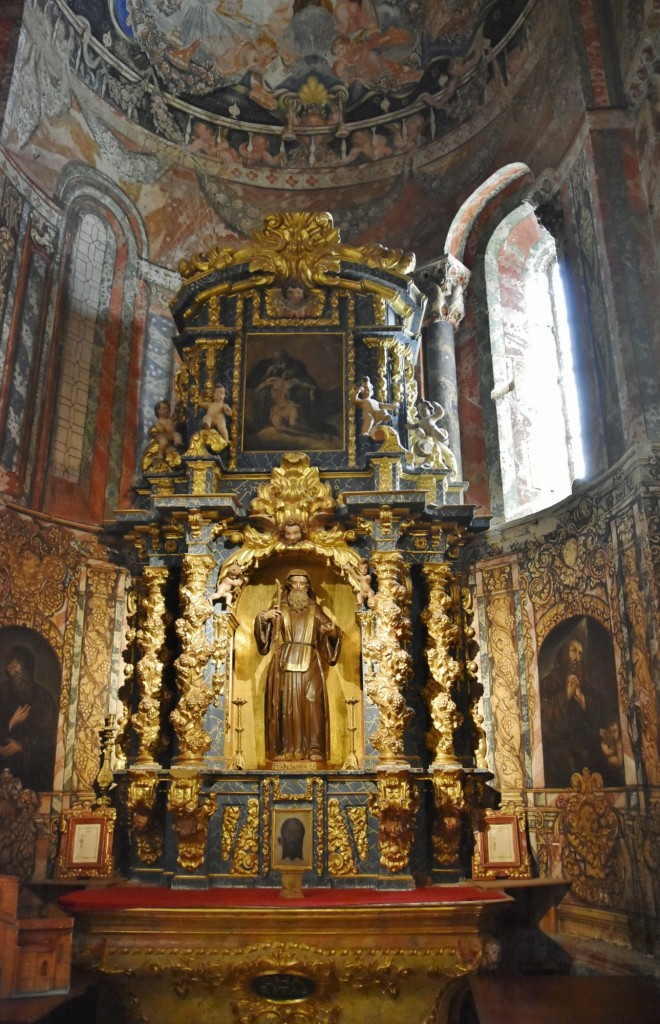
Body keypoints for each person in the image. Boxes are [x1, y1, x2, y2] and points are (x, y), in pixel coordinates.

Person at [255, 571, 341, 763]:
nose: (299, 587)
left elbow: (331, 630)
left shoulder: (314, 609)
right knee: (286, 704)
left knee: (312, 702)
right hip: (284, 660)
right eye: (295, 583)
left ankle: (314, 748)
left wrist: (332, 632)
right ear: (289, 586)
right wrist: (263, 617)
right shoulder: (280, 606)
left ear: (308, 586)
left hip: (310, 660)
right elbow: (265, 638)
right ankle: (286, 748)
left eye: (303, 583)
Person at [541, 635, 624, 788]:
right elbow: (547, 725)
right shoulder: (549, 683)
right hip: (564, 752)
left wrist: (585, 703)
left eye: (580, 653)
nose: (577, 658)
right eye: (573, 651)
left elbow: (599, 722)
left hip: (590, 752)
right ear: (564, 654)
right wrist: (566, 695)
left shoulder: (588, 689)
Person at [0, 645, 58, 792]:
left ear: (27, 668)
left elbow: (51, 740)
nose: (15, 674)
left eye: (17, 668)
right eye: (11, 670)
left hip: (32, 775)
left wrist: (22, 746)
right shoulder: (3, 692)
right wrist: (11, 723)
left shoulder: (43, 698)